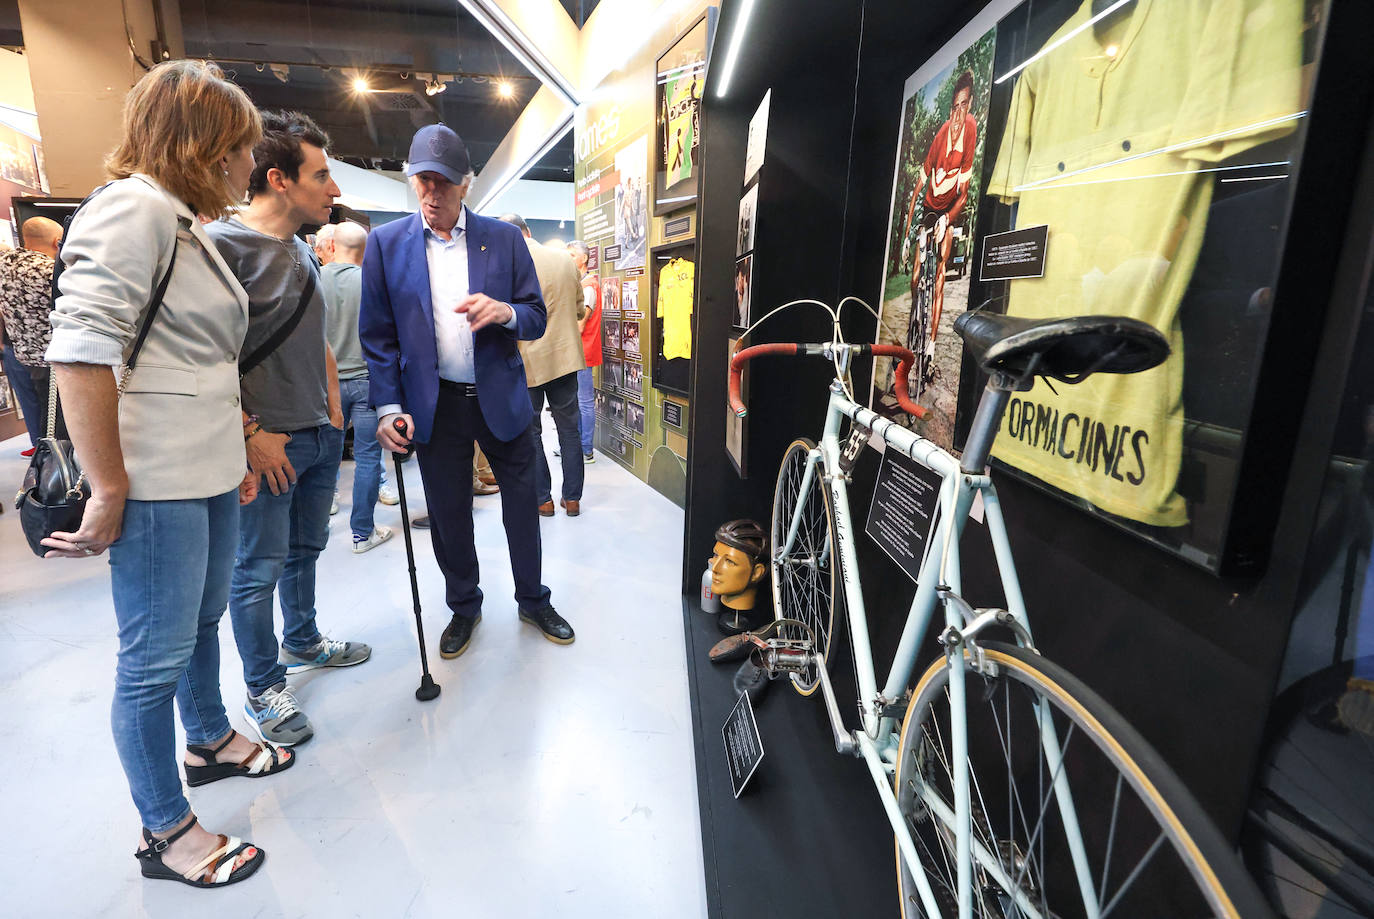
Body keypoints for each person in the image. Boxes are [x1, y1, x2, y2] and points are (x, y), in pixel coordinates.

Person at [43, 59, 284, 889]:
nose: (252, 165)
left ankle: (210, 737)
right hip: (153, 480)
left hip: (203, 468)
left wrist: (237, 445)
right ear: (209, 145)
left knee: (200, 621)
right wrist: (108, 486)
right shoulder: (133, 210)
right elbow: (78, 351)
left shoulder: (184, 225)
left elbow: (196, 360)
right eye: (244, 148)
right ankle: (164, 827)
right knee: (150, 658)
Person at [360, 123, 575, 660]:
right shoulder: (387, 246)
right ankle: (464, 606)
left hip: (503, 401)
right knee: (449, 514)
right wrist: (387, 406)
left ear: (466, 184)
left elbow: (535, 316)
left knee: (522, 507)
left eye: (443, 182)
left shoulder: (503, 239)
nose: (432, 193)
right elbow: (378, 336)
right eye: (422, 181)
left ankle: (532, 597)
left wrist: (504, 312)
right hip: (436, 408)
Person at [209, 110, 368, 749]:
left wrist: (332, 408)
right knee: (257, 568)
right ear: (278, 178)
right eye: (322, 175)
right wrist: (250, 432)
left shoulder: (301, 246)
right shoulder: (223, 246)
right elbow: (207, 355)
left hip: (317, 432)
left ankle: (302, 640)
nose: (334, 189)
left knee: (305, 550)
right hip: (267, 442)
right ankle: (262, 685)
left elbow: (315, 339)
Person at [498, 213, 586, 517]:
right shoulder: (564, 260)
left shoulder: (505, 267)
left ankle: (543, 500)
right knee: (569, 429)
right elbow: (579, 309)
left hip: (527, 362)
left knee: (531, 431)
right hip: (564, 358)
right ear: (529, 230)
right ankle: (572, 498)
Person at [321, 220, 392, 552]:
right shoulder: (373, 283)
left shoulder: (312, 278)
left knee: (325, 458)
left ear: (332, 244)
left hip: (325, 387)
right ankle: (362, 535)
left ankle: (318, 525)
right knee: (367, 459)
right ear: (365, 250)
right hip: (367, 382)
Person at [901, 69, 976, 358]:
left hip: (949, 208)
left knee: (941, 270)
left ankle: (931, 346)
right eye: (955, 108)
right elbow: (916, 194)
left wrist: (949, 218)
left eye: (964, 107)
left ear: (969, 106)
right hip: (930, 207)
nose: (959, 116)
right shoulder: (940, 137)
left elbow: (965, 193)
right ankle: (915, 311)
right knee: (918, 272)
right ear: (950, 109)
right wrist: (908, 237)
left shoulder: (970, 129)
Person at [0, 216, 63, 439]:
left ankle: (45, 463)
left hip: (22, 354)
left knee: (40, 417)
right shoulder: (49, 272)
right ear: (58, 242)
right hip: (55, 359)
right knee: (60, 424)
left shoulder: (5, 265)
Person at [568, 240, 600, 463]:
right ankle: (577, 446)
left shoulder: (588, 286)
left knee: (584, 401)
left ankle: (586, 449)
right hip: (576, 352)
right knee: (576, 401)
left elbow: (580, 324)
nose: (567, 259)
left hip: (583, 352)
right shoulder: (580, 284)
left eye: (571, 255)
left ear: (584, 259)